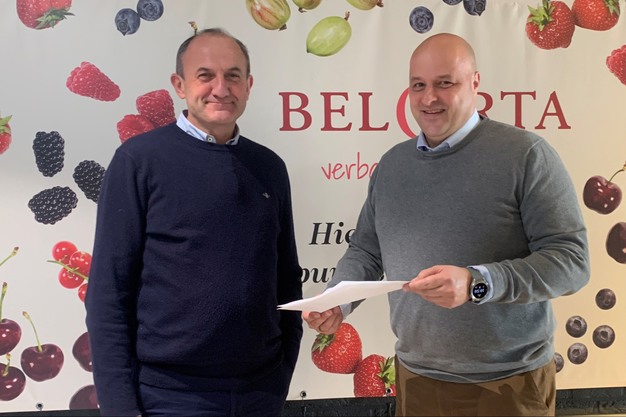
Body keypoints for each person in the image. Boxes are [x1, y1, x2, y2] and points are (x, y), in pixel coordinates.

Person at [303, 33, 589, 417]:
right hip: (416, 378)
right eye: (418, 85)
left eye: (444, 83)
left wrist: (477, 282)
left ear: (475, 83)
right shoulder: (393, 165)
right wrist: (337, 299)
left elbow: (571, 262)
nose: (429, 98)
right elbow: (367, 250)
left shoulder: (526, 155)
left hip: (509, 383)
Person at [85, 28, 303, 417]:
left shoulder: (269, 167)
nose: (221, 88)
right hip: (169, 397)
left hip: (260, 392)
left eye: (233, 76)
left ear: (248, 85)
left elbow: (285, 277)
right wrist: (120, 407)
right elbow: (108, 293)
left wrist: (281, 374)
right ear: (179, 85)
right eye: (206, 76)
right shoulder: (139, 161)